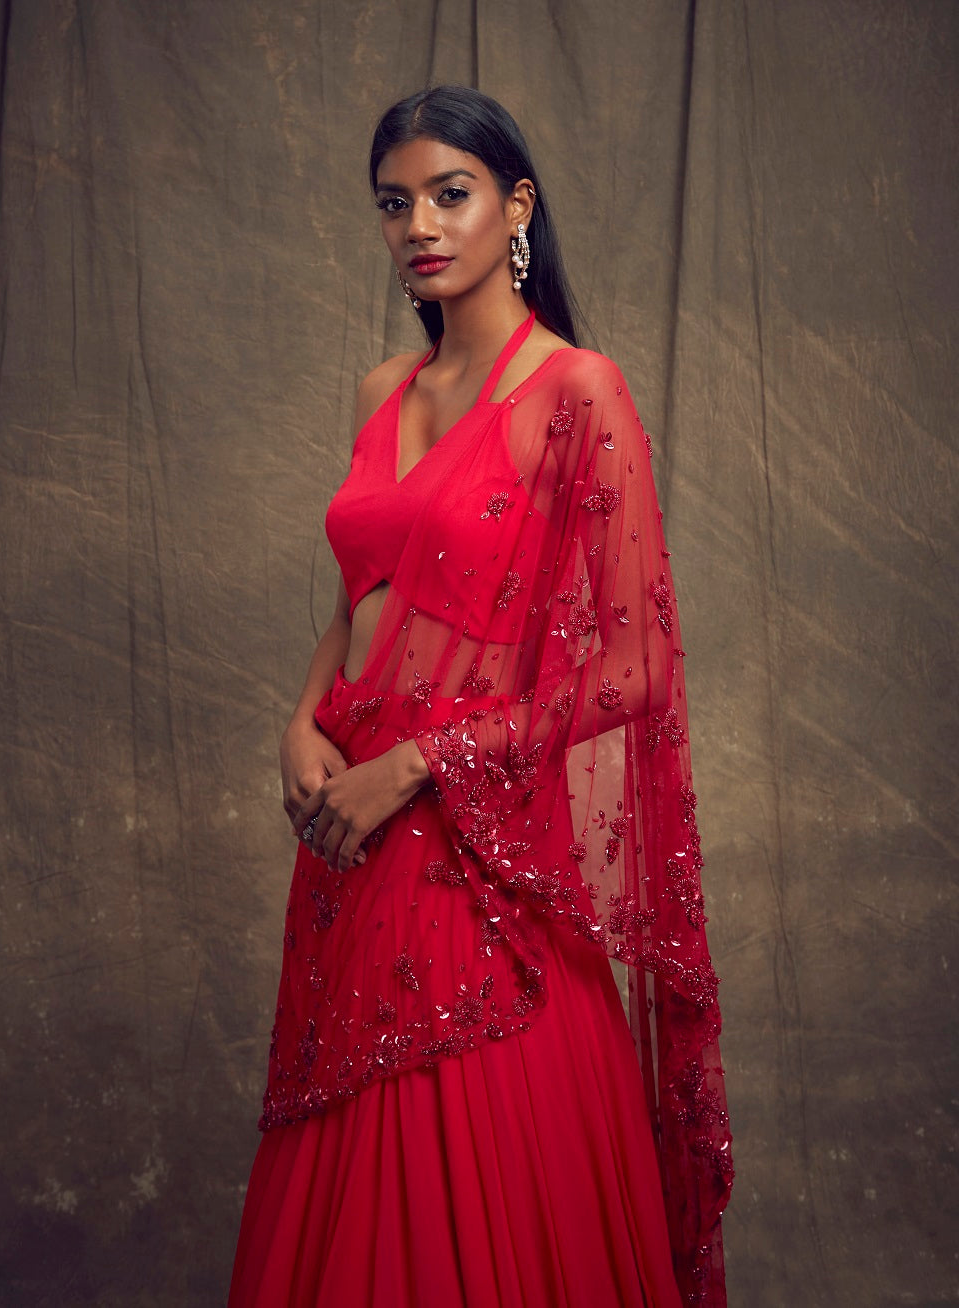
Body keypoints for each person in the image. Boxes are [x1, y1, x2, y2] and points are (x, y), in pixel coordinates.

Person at [228, 85, 732, 1308]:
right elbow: (369, 593)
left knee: (479, 1144)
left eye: (450, 195)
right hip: (347, 823)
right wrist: (301, 719)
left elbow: (635, 665)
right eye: (394, 203)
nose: (419, 225)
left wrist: (422, 764)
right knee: (347, 1152)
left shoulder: (576, 391)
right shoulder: (380, 391)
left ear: (516, 204)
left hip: (469, 828)